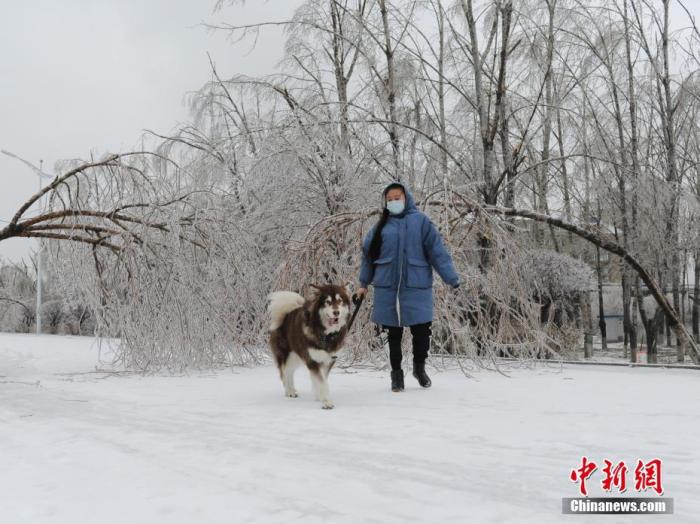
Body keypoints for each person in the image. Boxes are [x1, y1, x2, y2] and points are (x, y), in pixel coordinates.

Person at [357, 182, 460, 392]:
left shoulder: (421, 222)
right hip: (388, 288)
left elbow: (437, 251)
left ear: (407, 198)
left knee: (422, 333)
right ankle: (396, 375)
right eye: (390, 199)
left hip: (416, 286)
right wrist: (363, 284)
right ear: (386, 202)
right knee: (393, 335)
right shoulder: (380, 226)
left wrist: (451, 278)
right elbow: (368, 257)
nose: (394, 201)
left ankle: (419, 368)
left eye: (398, 197)